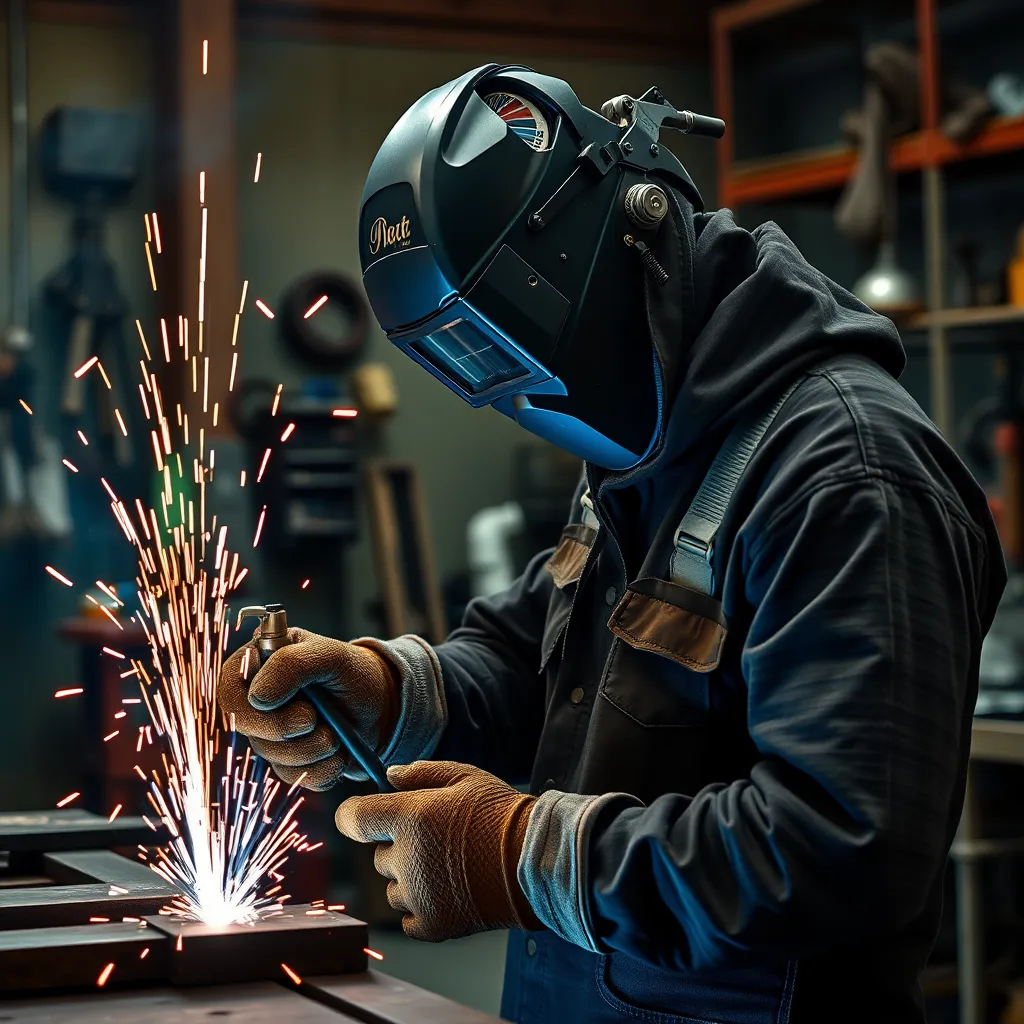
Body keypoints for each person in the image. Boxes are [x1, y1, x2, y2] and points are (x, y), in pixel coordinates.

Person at [219, 66, 1006, 1024]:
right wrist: (392, 692)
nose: (524, 400)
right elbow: (543, 665)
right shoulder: (654, 444)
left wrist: (519, 856)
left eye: (519, 356)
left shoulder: (846, 472)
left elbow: (841, 847)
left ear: (624, 229)